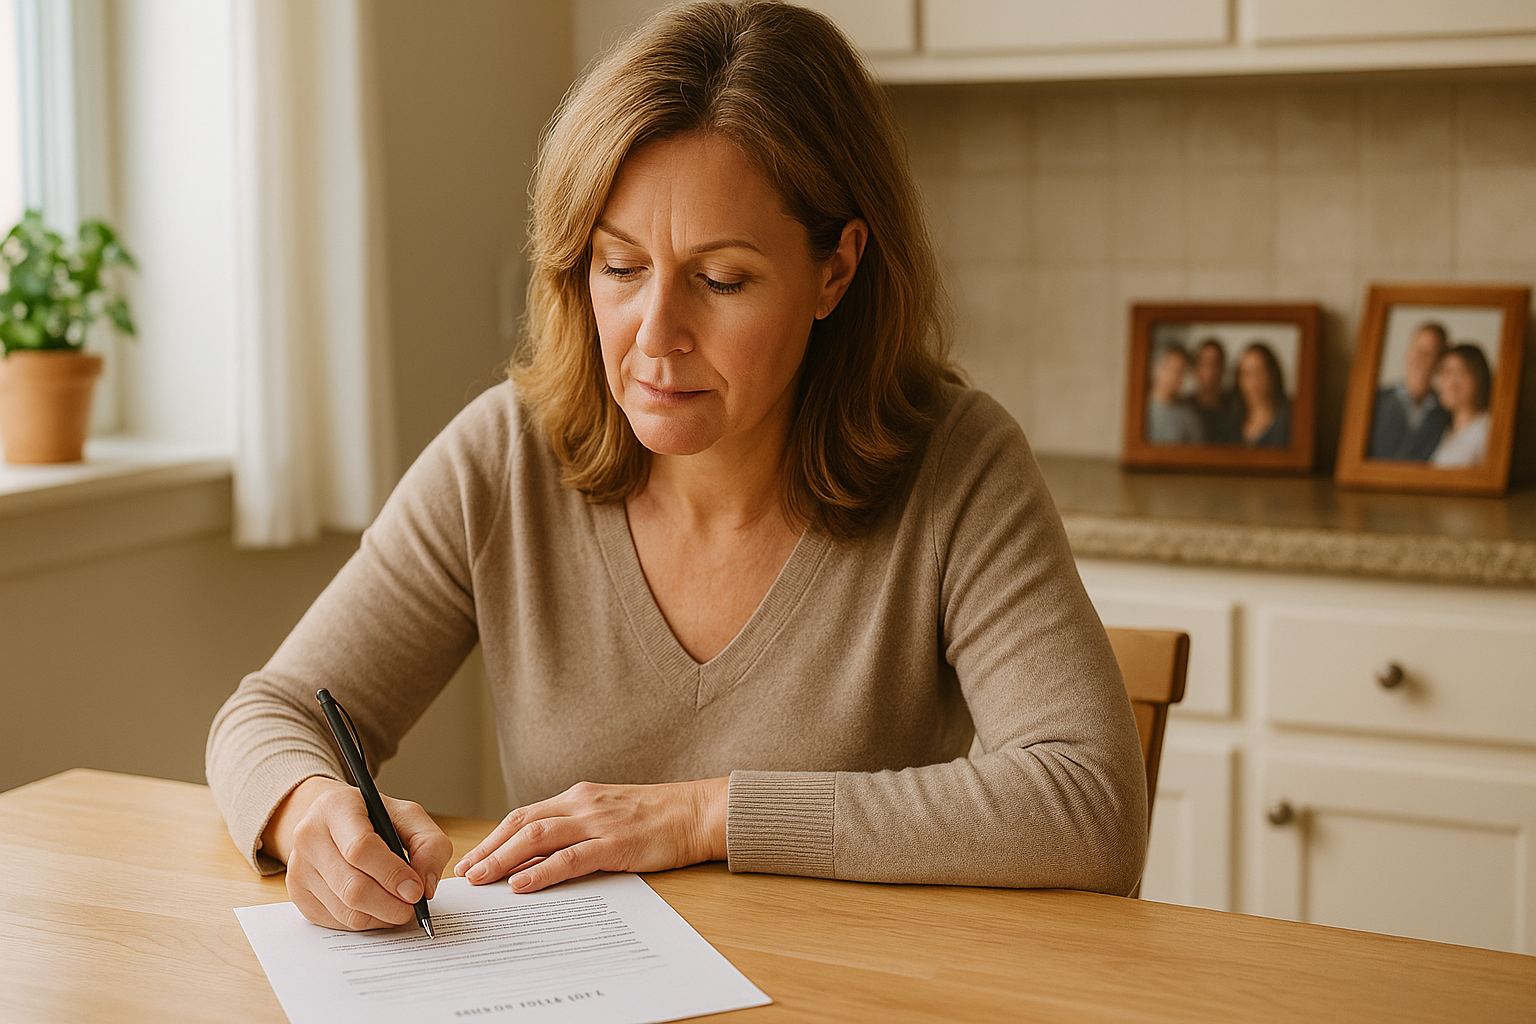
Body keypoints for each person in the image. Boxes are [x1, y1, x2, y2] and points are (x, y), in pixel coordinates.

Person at [206, 0, 1147, 934]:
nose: (656, 339)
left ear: (837, 270)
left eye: (722, 280)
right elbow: (273, 712)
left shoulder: (958, 464)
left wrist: (701, 814)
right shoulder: (504, 457)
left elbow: (1089, 804)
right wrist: (309, 812)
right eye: (620, 268)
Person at [1368, 321, 1451, 461]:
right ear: (1408, 352)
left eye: (1429, 353)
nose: (1420, 359)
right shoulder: (1375, 400)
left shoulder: (1447, 412)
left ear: (1440, 360)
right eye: (1418, 350)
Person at [1428, 343, 1494, 468]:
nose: (1448, 382)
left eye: (1459, 372)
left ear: (1479, 377)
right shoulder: (1443, 432)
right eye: (1444, 373)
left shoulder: (1488, 429)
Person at [1235, 342, 1290, 448]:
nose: (1253, 382)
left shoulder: (1289, 421)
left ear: (1272, 374)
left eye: (1258, 372)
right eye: (1247, 374)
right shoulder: (1232, 421)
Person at [1145, 344, 1202, 443]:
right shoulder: (1139, 410)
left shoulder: (1189, 416)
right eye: (1169, 368)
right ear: (1156, 369)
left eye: (1179, 371)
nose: (1173, 376)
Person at [1191, 338, 1241, 444]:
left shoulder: (1236, 407)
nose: (1210, 370)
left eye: (1215, 363)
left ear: (1223, 368)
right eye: (1204, 363)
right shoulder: (1185, 408)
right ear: (1196, 368)